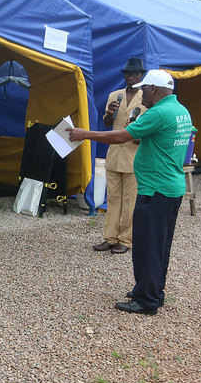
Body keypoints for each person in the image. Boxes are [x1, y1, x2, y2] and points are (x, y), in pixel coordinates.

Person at [68, 70, 193, 315]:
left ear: (153, 90)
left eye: (144, 89)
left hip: (154, 189)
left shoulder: (158, 112)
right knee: (160, 245)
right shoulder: (180, 111)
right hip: (171, 187)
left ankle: (146, 300)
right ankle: (154, 290)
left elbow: (122, 136)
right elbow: (151, 139)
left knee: (147, 246)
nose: (140, 92)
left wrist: (84, 134)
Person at [93, 58, 147, 254]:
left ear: (142, 76)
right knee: (113, 198)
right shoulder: (114, 95)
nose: (130, 77)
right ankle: (110, 237)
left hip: (134, 156)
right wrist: (109, 113)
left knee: (130, 201)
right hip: (114, 153)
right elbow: (107, 124)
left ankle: (126, 240)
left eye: (135, 74)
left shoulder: (147, 98)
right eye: (127, 74)